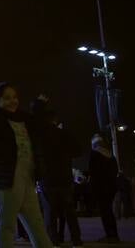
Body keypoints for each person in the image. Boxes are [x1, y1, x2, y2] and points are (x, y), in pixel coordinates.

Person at [0, 83, 52, 248]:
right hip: (7, 178)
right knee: (7, 224)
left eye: (14, 97)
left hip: (27, 175)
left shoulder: (24, 119)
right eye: (6, 98)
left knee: (36, 223)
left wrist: (39, 106)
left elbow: (40, 125)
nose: (12, 101)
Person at [30, 96, 83, 248]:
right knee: (70, 212)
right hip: (65, 177)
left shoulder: (41, 135)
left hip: (47, 178)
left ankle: (53, 241)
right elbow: (77, 150)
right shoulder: (63, 134)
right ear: (55, 120)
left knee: (50, 212)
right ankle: (76, 241)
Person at [89, 134, 120, 243]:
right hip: (111, 187)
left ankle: (110, 235)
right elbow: (115, 171)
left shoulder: (94, 154)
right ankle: (114, 234)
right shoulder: (110, 155)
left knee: (105, 212)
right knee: (109, 211)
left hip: (101, 188)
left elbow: (92, 172)